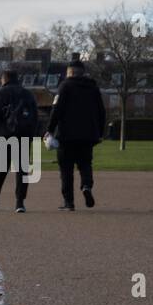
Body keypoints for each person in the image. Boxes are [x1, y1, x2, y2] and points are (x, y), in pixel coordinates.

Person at [45, 59, 106, 210]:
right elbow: (101, 111)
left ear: (70, 72)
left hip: (67, 135)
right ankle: (86, 186)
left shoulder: (65, 86)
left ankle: (69, 202)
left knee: (66, 169)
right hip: (88, 135)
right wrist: (99, 132)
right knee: (85, 164)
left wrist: (50, 129)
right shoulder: (93, 87)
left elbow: (56, 110)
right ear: (83, 72)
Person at [0, 70, 38, 213]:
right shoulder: (28, 94)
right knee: (22, 170)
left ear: (4, 79)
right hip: (24, 136)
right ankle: (20, 202)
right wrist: (32, 136)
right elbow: (34, 118)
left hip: (4, 135)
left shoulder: (0, 93)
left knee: (1, 169)